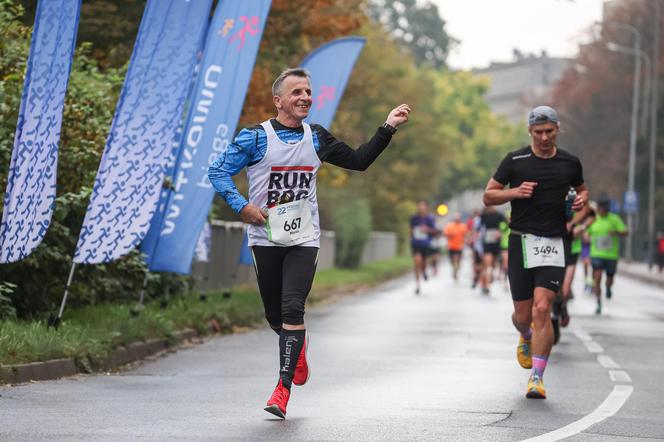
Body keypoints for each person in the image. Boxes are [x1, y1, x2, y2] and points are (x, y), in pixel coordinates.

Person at [208, 68, 411, 418]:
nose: (305, 97)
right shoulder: (255, 138)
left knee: (292, 308)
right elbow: (218, 171)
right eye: (297, 92)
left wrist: (387, 126)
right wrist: (242, 206)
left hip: (304, 237)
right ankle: (296, 348)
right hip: (266, 237)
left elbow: (360, 162)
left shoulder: (316, 137)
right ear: (278, 100)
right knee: (275, 315)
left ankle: (282, 390)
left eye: (308, 92)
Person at [483, 105, 588, 399]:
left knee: (544, 308)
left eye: (549, 132)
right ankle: (525, 335)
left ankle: (537, 378)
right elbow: (488, 195)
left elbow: (583, 190)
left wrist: (580, 201)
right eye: (539, 132)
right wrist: (514, 193)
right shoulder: (515, 160)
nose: (544, 137)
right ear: (530, 131)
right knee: (522, 315)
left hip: (554, 242)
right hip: (520, 241)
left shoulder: (570, 162)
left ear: (558, 129)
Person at [586, 198, 627, 314]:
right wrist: (586, 237)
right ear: (598, 209)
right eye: (601, 210)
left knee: (610, 279)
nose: (603, 212)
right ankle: (598, 302)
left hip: (611, 255)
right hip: (596, 254)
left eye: (605, 210)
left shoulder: (614, 219)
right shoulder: (594, 219)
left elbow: (625, 232)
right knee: (597, 278)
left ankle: (608, 287)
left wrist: (616, 233)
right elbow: (586, 232)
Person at [478, 206, 506, 295]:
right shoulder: (483, 215)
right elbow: (479, 227)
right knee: (487, 264)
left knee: (492, 265)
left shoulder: (498, 215)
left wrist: (500, 231)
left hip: (496, 241)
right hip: (487, 241)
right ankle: (486, 285)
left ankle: (486, 281)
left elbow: (507, 224)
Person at [411, 201, 437, 294]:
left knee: (423, 262)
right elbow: (410, 229)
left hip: (425, 244)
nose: (421, 208)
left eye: (423, 206)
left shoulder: (429, 219)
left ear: (426, 208)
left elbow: (434, 231)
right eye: (420, 206)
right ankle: (417, 285)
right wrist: (412, 235)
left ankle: (424, 271)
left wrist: (427, 229)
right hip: (415, 244)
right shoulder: (414, 218)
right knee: (417, 262)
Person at [443, 213, 468, 281]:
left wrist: (465, 242)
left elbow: (466, 235)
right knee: (452, 261)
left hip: (460, 246)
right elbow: (445, 234)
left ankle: (456, 271)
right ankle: (454, 269)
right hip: (451, 246)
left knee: (458, 260)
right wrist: (450, 235)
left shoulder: (463, 226)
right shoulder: (449, 226)